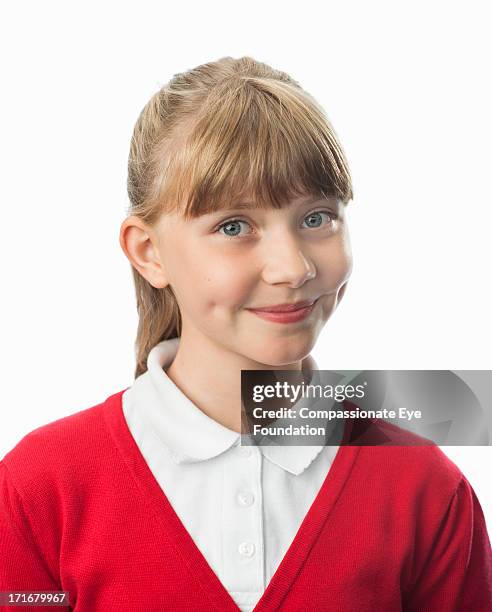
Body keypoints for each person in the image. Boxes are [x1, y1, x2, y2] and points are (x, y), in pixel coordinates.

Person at [1, 56, 491, 612]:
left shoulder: (427, 491)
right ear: (149, 252)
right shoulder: (38, 489)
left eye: (317, 218)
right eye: (234, 227)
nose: (293, 269)